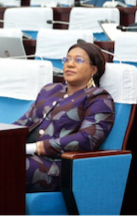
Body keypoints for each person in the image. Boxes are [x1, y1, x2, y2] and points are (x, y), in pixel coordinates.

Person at [14, 42, 114, 192]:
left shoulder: (99, 98)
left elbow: (87, 138)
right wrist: (1, 140)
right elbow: (23, 122)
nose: (70, 64)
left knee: (6, 165)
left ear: (94, 69)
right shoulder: (49, 90)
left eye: (78, 60)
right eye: (67, 60)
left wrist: (36, 147)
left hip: (56, 166)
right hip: (28, 156)